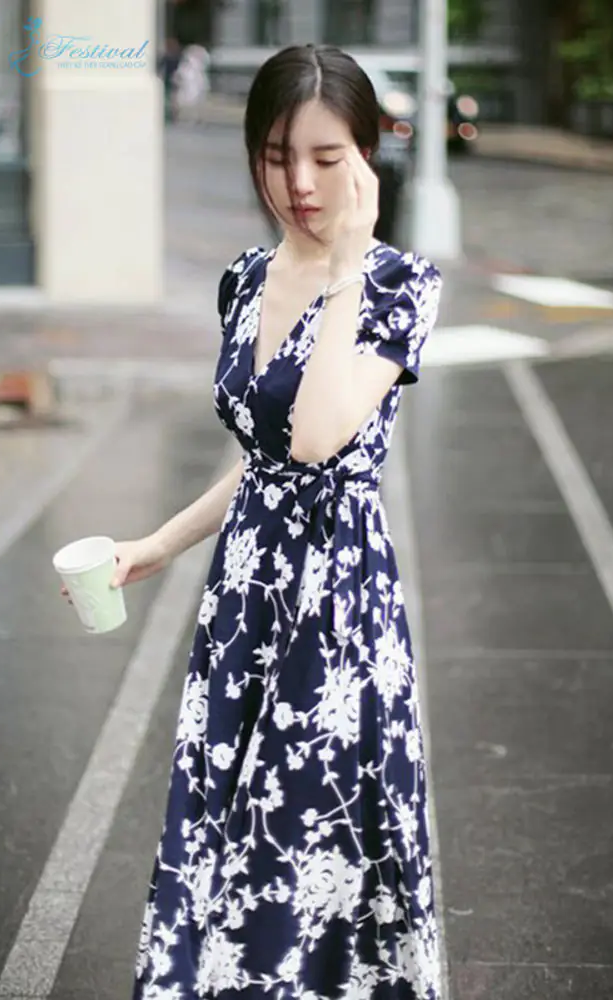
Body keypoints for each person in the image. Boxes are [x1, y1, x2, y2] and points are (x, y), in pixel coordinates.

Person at [71, 41, 443, 1000]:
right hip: (245, 598)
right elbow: (264, 462)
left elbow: (316, 439)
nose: (300, 184)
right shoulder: (243, 278)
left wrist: (347, 267)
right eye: (278, 156)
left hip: (337, 606)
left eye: (326, 157)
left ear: (366, 159)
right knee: (227, 825)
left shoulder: (398, 285)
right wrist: (155, 545)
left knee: (320, 842)